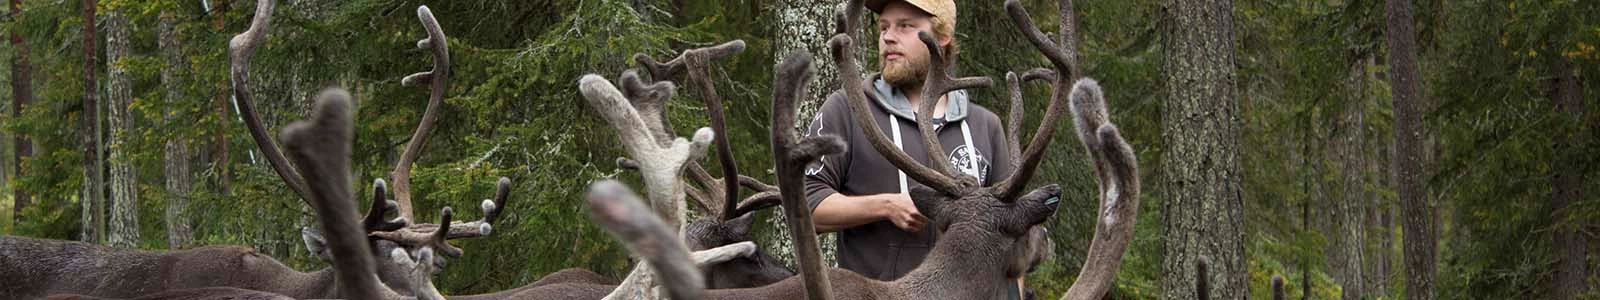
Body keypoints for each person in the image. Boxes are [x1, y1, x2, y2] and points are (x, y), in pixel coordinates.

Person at [804, 0, 1023, 296]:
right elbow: (805, 205)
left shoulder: (985, 126)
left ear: (942, 36)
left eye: (905, 26)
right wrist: (885, 206)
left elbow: (1013, 236)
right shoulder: (846, 110)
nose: (888, 36)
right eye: (883, 27)